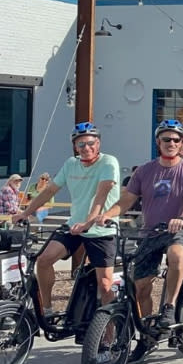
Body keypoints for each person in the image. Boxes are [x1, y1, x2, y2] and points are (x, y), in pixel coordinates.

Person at [99, 119, 183, 360]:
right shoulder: (144, 171)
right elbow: (127, 200)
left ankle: (169, 307)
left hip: (178, 229)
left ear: (181, 144)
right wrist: (108, 214)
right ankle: (148, 336)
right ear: (158, 142)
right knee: (140, 287)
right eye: (166, 139)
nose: (171, 143)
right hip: (150, 232)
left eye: (176, 140)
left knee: (176, 255)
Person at [13, 122, 120, 316]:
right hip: (74, 226)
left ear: (99, 143)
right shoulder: (71, 164)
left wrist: (89, 222)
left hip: (101, 228)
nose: (86, 148)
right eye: (81, 145)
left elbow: (101, 194)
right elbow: (50, 190)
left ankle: (109, 334)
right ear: (75, 147)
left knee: (104, 285)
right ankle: (46, 310)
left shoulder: (108, 162)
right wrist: (25, 213)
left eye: (90, 143)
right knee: (43, 260)